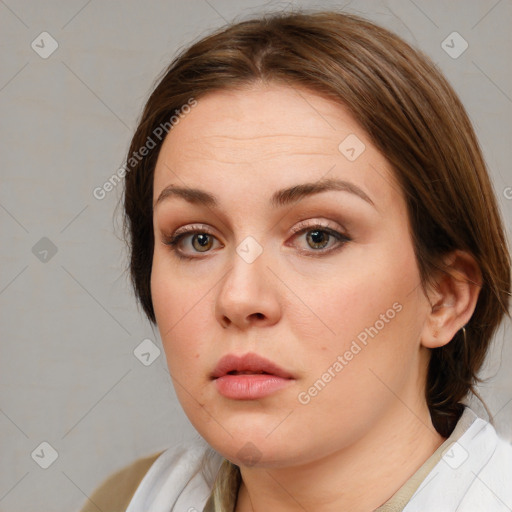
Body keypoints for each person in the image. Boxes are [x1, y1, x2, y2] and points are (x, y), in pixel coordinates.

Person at [80, 9, 512, 512]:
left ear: (445, 296)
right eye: (197, 240)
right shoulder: (126, 498)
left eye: (318, 237)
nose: (240, 298)